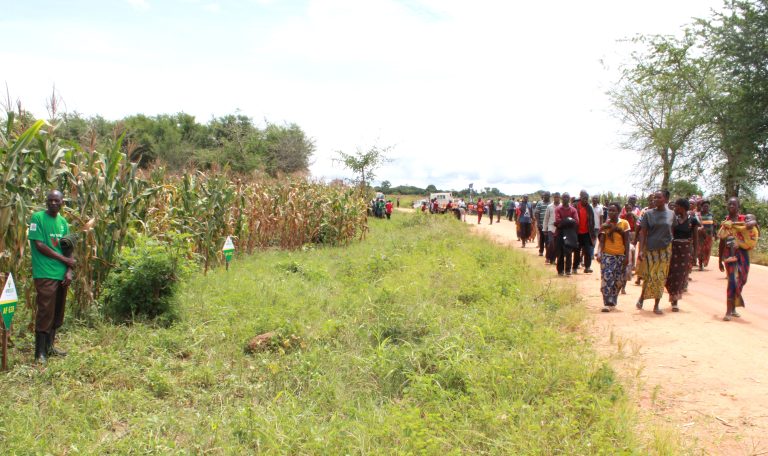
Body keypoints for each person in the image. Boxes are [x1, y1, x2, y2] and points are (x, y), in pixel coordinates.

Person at [28, 190, 75, 364]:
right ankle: (39, 353)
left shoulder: (63, 222)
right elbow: (39, 245)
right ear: (46, 202)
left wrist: (69, 271)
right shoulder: (37, 218)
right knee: (45, 311)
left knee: (57, 312)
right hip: (45, 273)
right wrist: (64, 260)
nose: (53, 203)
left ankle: (49, 347)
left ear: (62, 202)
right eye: (50, 200)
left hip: (61, 274)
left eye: (57, 200)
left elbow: (68, 248)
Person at [718, 198, 759, 321]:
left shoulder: (744, 219)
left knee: (742, 279)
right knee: (732, 280)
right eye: (729, 204)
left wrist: (753, 223)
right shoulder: (726, 222)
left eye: (734, 204)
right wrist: (720, 259)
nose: (731, 206)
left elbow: (755, 229)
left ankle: (734, 307)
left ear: (738, 207)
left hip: (743, 253)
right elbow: (722, 241)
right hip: (730, 254)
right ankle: (728, 311)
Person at [636, 190, 674, 315]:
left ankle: (656, 305)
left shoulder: (671, 214)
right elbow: (643, 233)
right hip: (651, 249)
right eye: (654, 198)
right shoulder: (648, 214)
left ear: (665, 199)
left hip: (665, 250)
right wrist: (641, 250)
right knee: (649, 276)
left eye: (658, 197)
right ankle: (642, 298)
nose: (655, 200)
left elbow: (672, 231)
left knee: (660, 277)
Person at [664, 198, 699, 312]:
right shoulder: (673, 219)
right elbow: (669, 234)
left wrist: (695, 255)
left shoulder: (692, 221)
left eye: (676, 206)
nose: (674, 208)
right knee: (670, 274)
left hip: (685, 251)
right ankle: (672, 293)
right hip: (673, 249)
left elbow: (695, 239)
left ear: (682, 207)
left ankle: (675, 300)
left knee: (680, 275)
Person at [595, 202, 630, 312]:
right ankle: (606, 302)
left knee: (618, 280)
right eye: (609, 210)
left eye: (614, 210)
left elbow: (627, 241)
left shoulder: (624, 224)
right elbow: (601, 241)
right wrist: (599, 253)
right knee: (607, 278)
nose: (611, 212)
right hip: (608, 256)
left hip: (620, 256)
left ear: (618, 212)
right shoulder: (605, 225)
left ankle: (613, 301)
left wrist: (627, 257)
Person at [554, 192, 579, 276]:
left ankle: (568, 270)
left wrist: (563, 222)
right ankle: (560, 270)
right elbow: (557, 221)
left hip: (570, 233)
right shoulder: (558, 209)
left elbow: (576, 221)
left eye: (567, 197)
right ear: (562, 198)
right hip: (560, 232)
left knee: (569, 252)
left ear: (569, 199)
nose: (565, 199)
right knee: (560, 252)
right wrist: (569, 220)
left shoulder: (573, 210)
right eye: (564, 197)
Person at [573, 190, 596, 274]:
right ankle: (575, 267)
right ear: (580, 198)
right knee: (577, 250)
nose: (585, 200)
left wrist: (592, 233)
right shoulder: (575, 206)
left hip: (587, 233)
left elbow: (592, 221)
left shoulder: (589, 208)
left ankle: (587, 267)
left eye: (587, 198)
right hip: (577, 233)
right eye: (584, 198)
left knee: (588, 251)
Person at [697, 200, 716, 270]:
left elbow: (714, 225)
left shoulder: (711, 215)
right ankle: (700, 264)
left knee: (707, 249)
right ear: (702, 207)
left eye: (707, 206)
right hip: (700, 235)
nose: (706, 208)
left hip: (709, 235)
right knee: (701, 249)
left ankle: (705, 261)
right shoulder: (698, 215)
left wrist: (715, 234)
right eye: (704, 206)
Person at [543, 192, 561, 265]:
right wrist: (544, 229)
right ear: (553, 198)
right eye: (555, 197)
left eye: (558, 197)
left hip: (559, 228)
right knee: (551, 243)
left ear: (560, 198)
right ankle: (548, 257)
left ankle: (553, 259)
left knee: (557, 244)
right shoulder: (549, 206)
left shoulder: (562, 206)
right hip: (551, 227)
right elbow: (546, 218)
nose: (556, 198)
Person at [534, 192, 550, 257]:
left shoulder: (551, 204)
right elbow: (536, 213)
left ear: (549, 196)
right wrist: (538, 223)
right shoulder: (540, 203)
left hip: (549, 225)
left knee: (548, 239)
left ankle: (548, 253)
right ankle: (541, 251)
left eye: (547, 195)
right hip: (541, 224)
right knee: (542, 238)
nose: (546, 197)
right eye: (545, 195)